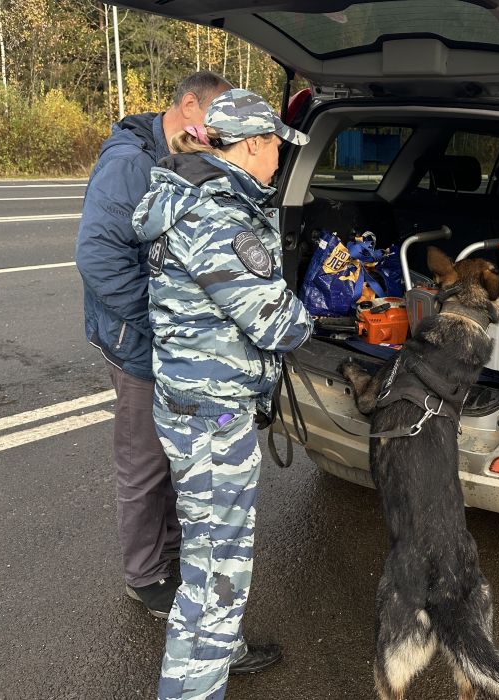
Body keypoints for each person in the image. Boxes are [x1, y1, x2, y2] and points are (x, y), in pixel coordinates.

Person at [132, 89, 313, 699]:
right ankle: (191, 687)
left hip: (193, 401)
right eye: (276, 148)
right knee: (214, 572)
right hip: (211, 415)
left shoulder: (192, 195)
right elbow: (276, 323)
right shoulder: (217, 215)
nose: (280, 159)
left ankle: (222, 649)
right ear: (254, 143)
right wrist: (319, 313)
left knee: (211, 548)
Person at [75, 71, 232, 618]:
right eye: (215, 119)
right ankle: (144, 577)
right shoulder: (130, 163)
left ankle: (167, 555)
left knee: (170, 457)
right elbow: (99, 259)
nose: (220, 133)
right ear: (189, 105)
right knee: (144, 464)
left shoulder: (178, 153)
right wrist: (164, 321)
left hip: (169, 342)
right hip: (140, 344)